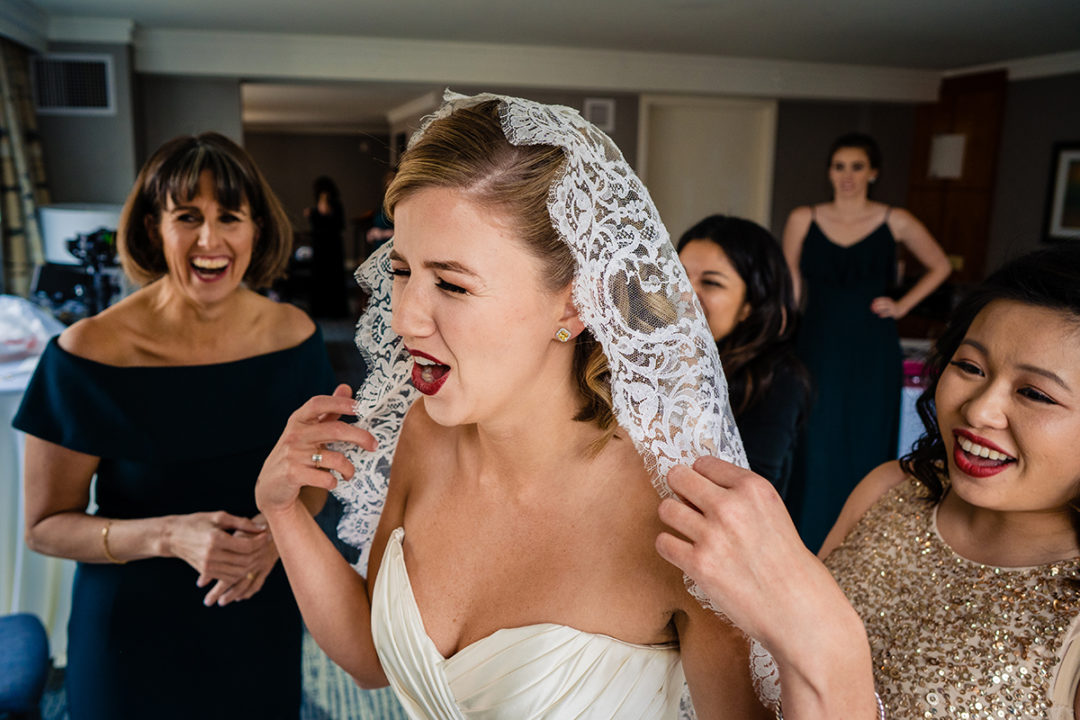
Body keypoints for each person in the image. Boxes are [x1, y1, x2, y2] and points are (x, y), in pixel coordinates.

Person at [254, 92, 860, 719]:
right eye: (402, 270)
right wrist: (286, 513)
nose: (405, 316)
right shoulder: (426, 436)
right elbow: (370, 657)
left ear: (574, 304)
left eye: (453, 283)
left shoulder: (674, 516)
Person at [657, 242, 1080, 719]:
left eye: (1034, 394)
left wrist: (832, 656)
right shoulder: (891, 490)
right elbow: (765, 680)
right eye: (970, 367)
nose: (979, 409)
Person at [14, 132, 336, 719]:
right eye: (187, 217)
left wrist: (273, 541)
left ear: (256, 229)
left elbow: (316, 482)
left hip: (256, 606)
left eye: (230, 217)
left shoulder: (296, 337)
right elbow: (43, 527)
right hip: (130, 626)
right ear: (152, 230)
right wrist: (167, 536)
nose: (209, 240)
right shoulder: (88, 353)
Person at [781, 132, 952, 551]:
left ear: (872, 172)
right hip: (817, 341)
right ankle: (804, 539)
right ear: (830, 172)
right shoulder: (803, 217)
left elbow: (940, 266)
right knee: (813, 440)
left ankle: (858, 543)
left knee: (865, 441)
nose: (847, 176)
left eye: (857, 167)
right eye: (839, 166)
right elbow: (791, 288)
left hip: (872, 347)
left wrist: (902, 304)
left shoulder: (895, 219)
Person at [677, 214, 808, 501]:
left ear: (750, 305)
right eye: (679, 275)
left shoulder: (779, 380)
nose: (686, 293)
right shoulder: (656, 358)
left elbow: (749, 489)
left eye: (711, 283)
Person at [305, 175, 349, 317]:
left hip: (331, 247)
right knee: (321, 278)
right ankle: (321, 310)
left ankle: (334, 311)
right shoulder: (319, 205)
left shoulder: (335, 205)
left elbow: (338, 224)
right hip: (321, 246)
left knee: (332, 278)